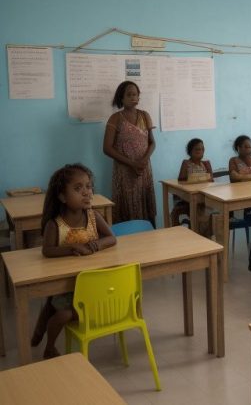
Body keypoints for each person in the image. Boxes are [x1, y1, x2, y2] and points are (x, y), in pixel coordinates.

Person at [31, 164, 117, 359]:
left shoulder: (94, 216)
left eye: (88, 186)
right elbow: (47, 251)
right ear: (62, 197)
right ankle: (49, 346)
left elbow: (111, 238)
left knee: (52, 306)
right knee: (61, 314)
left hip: (92, 283)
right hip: (68, 285)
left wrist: (97, 244)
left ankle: (41, 327)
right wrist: (70, 249)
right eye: (78, 189)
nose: (86, 192)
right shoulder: (56, 224)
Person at [103, 80, 156, 225]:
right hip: (125, 172)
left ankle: (149, 239)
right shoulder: (115, 118)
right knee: (126, 211)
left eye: (136, 94)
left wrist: (144, 160)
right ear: (121, 97)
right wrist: (132, 163)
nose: (133, 97)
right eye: (129, 94)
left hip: (143, 170)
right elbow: (107, 148)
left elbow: (152, 142)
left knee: (146, 209)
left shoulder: (145, 116)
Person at [171, 138, 214, 227]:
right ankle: (196, 230)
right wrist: (200, 179)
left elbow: (211, 180)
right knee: (198, 213)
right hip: (190, 197)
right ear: (190, 151)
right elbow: (181, 180)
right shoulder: (186, 163)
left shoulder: (206, 163)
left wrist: (198, 179)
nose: (200, 151)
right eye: (197, 149)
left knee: (210, 210)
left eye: (202, 149)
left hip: (205, 196)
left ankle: (205, 234)